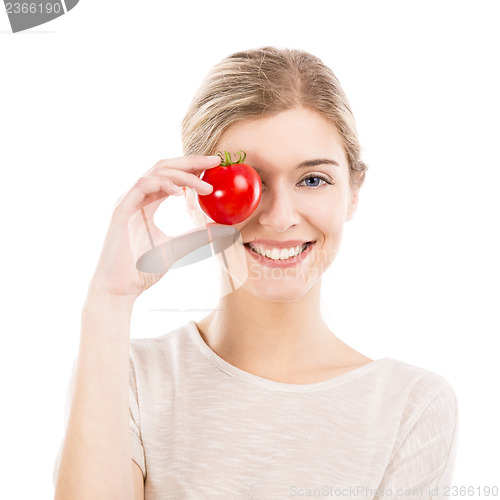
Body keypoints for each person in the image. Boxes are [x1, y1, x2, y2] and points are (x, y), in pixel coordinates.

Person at [53, 47, 458, 499]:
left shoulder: (411, 407)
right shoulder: (127, 377)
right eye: (250, 181)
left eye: (313, 180)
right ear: (193, 194)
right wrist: (109, 302)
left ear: (353, 192)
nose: (280, 217)